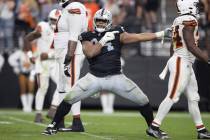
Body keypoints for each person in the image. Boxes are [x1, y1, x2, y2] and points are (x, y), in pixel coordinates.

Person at [42, 8, 171, 136]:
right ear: (94, 21)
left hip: (116, 78)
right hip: (94, 78)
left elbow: (137, 37)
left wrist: (160, 34)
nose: (100, 24)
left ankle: (152, 128)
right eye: (98, 21)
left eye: (103, 21)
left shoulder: (117, 32)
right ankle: (52, 125)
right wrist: (103, 41)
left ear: (109, 22)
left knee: (143, 100)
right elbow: (90, 53)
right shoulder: (87, 35)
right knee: (69, 98)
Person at [146, 0, 210, 139]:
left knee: (193, 98)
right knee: (173, 96)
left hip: (183, 61)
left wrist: (173, 60)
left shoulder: (178, 20)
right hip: (182, 62)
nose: (198, 8)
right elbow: (191, 45)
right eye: (196, 5)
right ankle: (154, 127)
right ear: (190, 6)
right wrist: (207, 59)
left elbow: (172, 45)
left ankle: (201, 130)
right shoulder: (189, 20)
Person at [51, 0, 88, 132]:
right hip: (63, 53)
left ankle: (77, 121)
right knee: (62, 87)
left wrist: (69, 55)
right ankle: (59, 119)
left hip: (71, 53)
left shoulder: (75, 6)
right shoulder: (68, 8)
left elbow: (74, 33)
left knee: (72, 87)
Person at [24, 9, 61, 123]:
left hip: (55, 61)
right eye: (53, 20)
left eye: (57, 20)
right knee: (42, 88)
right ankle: (38, 114)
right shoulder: (43, 27)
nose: (54, 23)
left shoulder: (65, 31)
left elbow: (64, 50)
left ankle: (53, 108)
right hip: (42, 62)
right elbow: (28, 39)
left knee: (63, 84)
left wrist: (50, 54)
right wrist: (30, 55)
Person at [8, 46, 35, 112]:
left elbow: (36, 61)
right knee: (23, 88)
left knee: (31, 88)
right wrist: (19, 65)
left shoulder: (32, 52)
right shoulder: (19, 53)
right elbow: (10, 59)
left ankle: (29, 106)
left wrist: (31, 64)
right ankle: (25, 106)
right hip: (22, 72)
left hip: (31, 71)